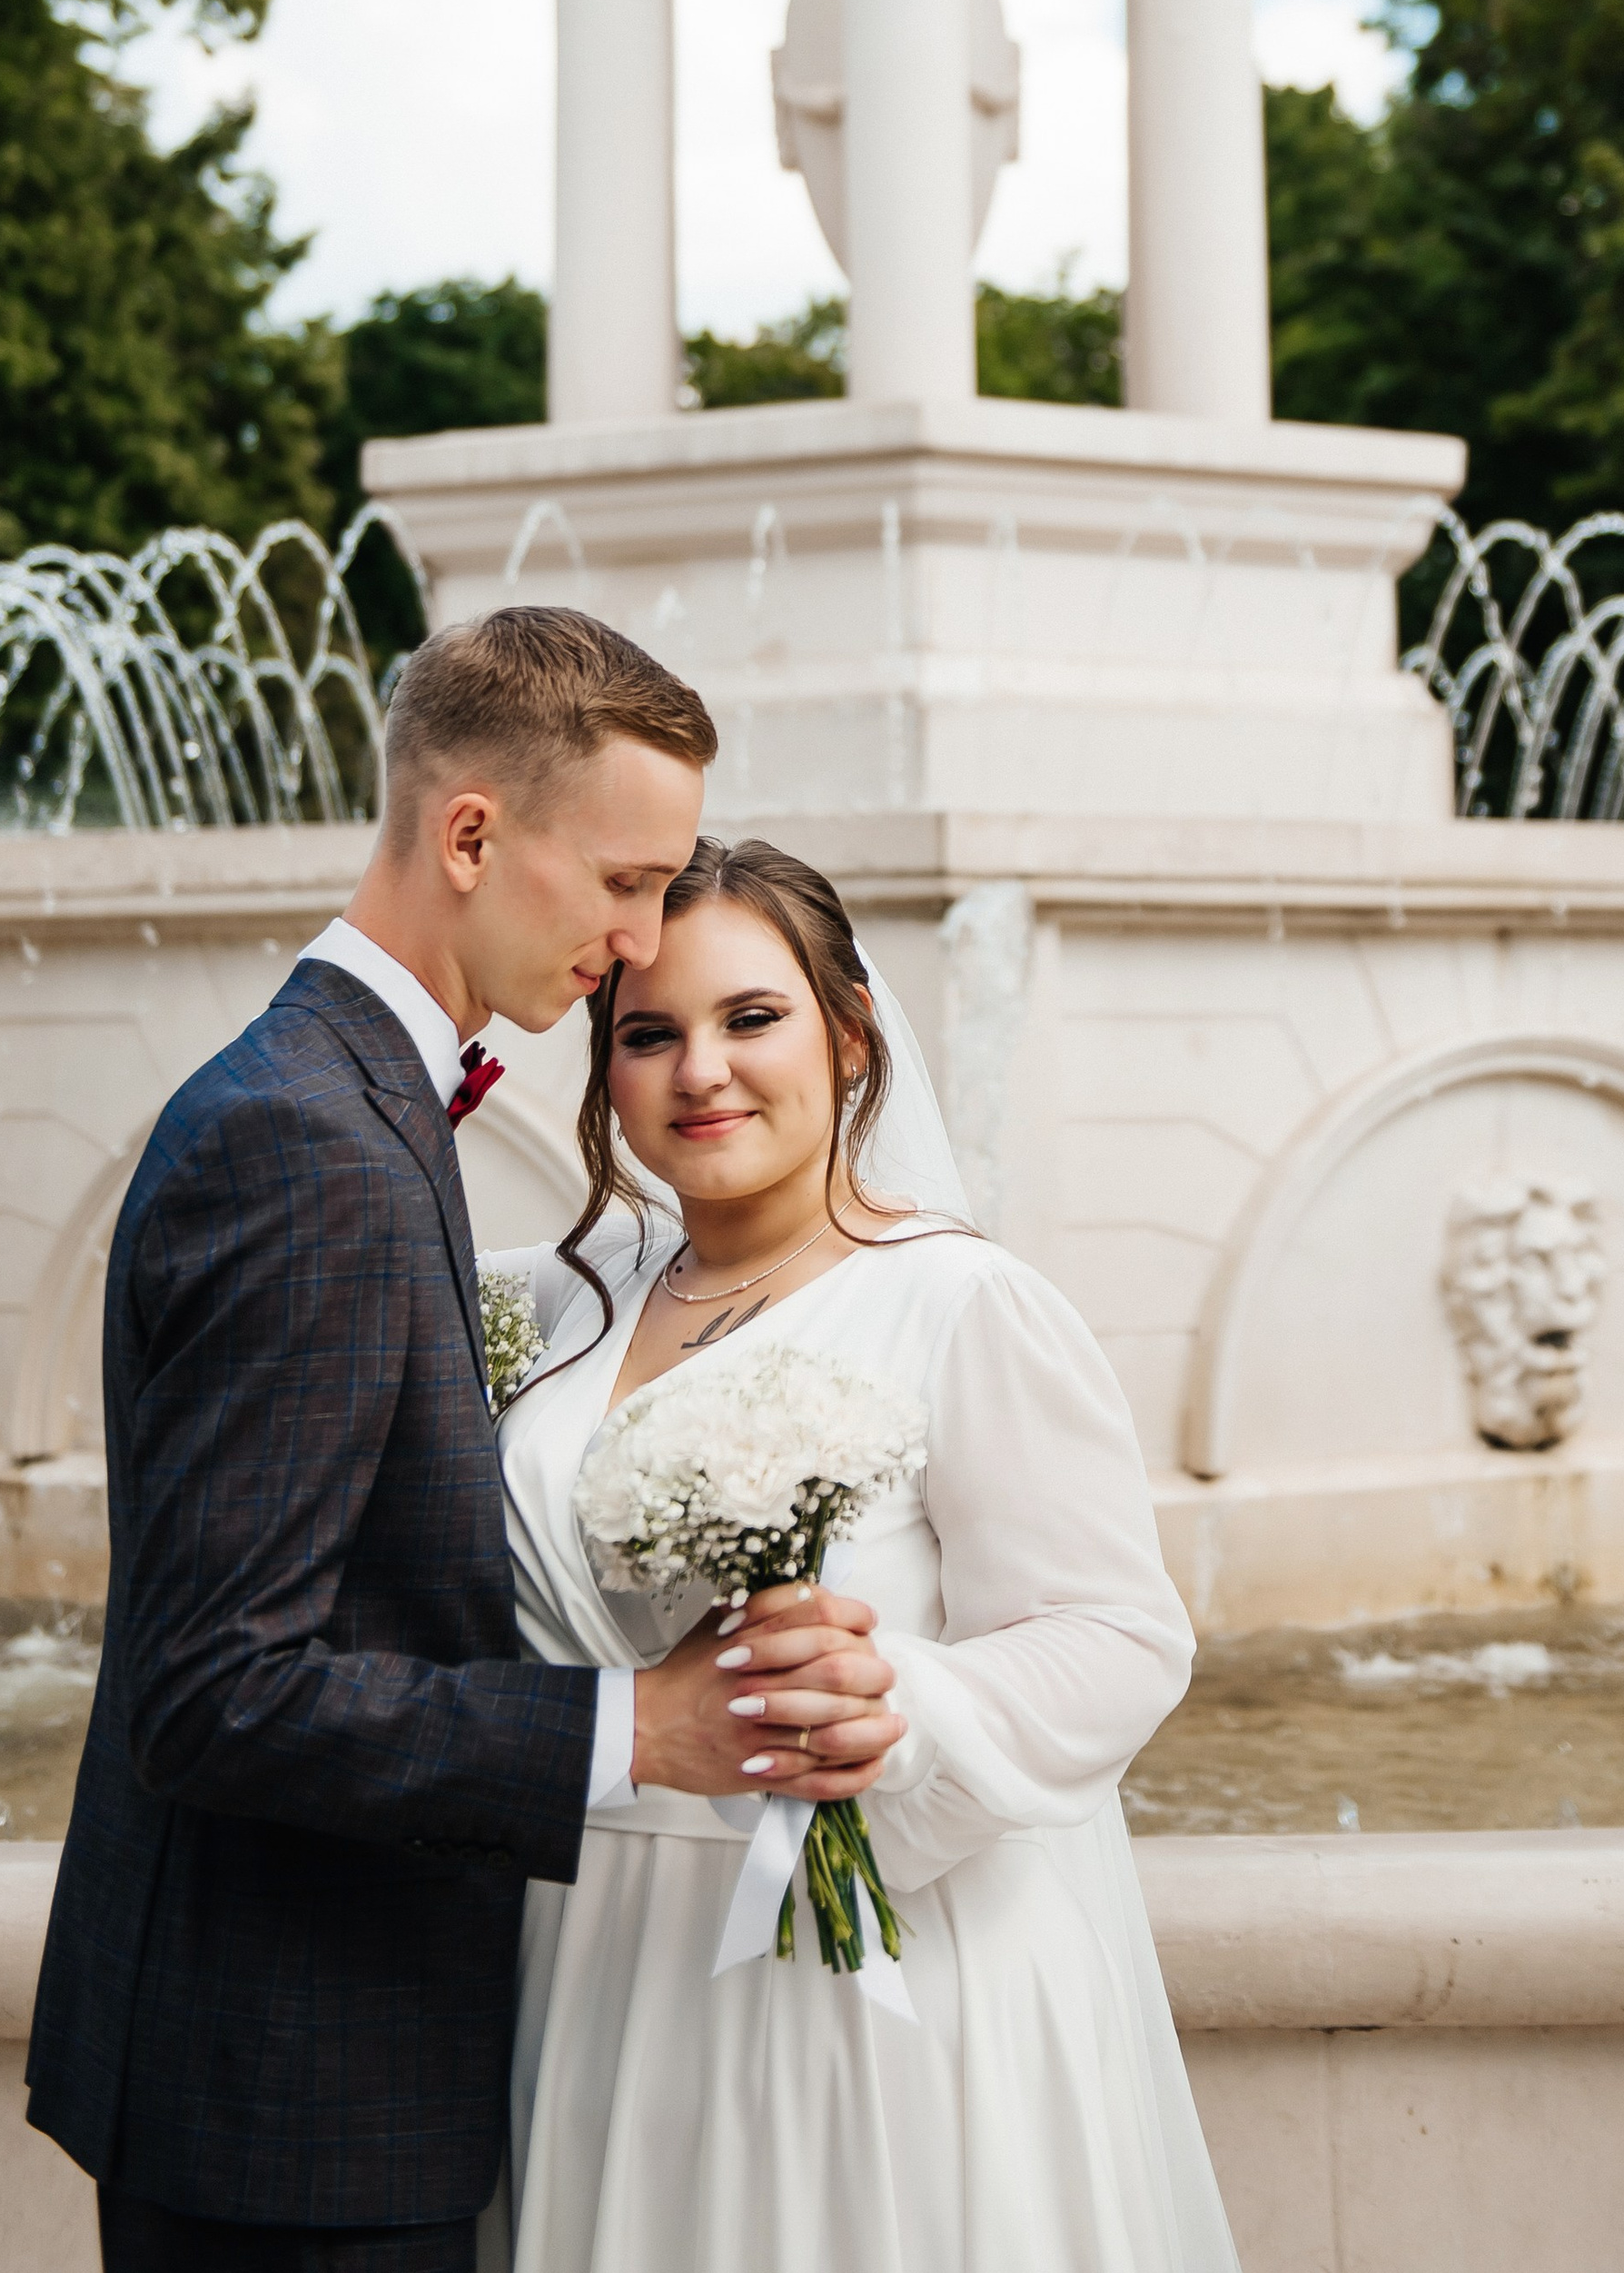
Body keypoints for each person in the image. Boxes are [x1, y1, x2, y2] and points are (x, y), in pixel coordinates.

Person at [27, 611, 905, 2272]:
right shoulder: (311, 1144)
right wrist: (636, 1729)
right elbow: (215, 1692)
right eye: (629, 882)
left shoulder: (349, 1100)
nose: (646, 944)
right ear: (473, 834)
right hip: (294, 2103)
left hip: (308, 2069)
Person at [481, 834, 1240, 2273]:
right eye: (650, 1035)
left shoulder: (961, 1302)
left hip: (863, 1977)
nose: (699, 1069)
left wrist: (899, 1700)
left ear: (846, 1035)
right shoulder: (554, 1304)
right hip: (591, 1961)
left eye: (749, 1019)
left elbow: (1120, 1639)